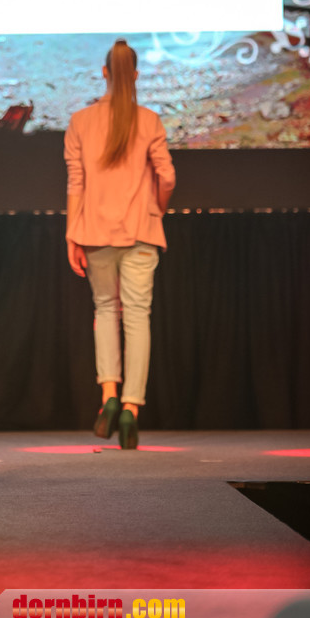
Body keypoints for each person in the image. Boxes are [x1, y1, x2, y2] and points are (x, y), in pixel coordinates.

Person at [64, 39, 175, 449]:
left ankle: (109, 396)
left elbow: (76, 183)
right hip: (141, 230)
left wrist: (72, 233)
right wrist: (156, 209)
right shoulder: (150, 120)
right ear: (137, 75)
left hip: (94, 230)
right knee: (138, 316)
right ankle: (131, 408)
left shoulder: (80, 121)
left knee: (106, 310)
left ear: (105, 73)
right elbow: (168, 176)